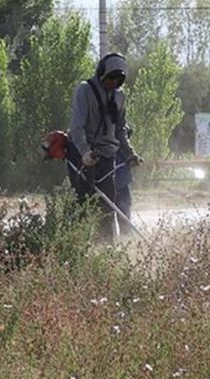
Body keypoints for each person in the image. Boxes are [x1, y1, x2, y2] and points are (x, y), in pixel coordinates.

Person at [68, 53, 142, 241]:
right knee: (83, 205)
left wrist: (130, 154)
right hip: (83, 156)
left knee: (107, 209)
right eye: (111, 78)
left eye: (119, 79)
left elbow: (120, 130)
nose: (114, 82)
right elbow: (76, 127)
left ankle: (105, 247)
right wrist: (85, 152)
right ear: (101, 73)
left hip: (107, 157)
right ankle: (75, 246)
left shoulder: (119, 96)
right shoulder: (85, 90)